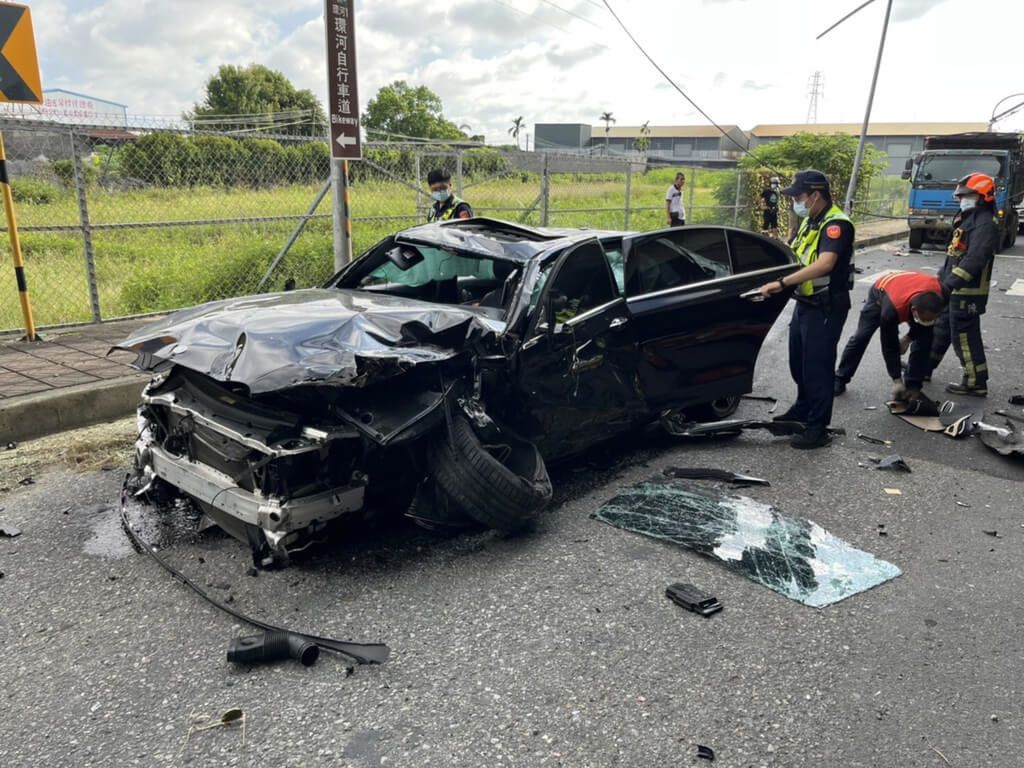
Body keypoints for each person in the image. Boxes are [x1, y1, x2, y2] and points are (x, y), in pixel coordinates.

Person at [758, 169, 854, 449]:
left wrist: (781, 282)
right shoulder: (811, 221)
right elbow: (796, 252)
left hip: (826, 306)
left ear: (815, 195)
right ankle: (802, 408)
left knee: (817, 368)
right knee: (798, 363)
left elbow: (824, 264)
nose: (795, 202)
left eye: (799, 196)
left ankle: (818, 427)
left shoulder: (836, 224)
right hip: (805, 303)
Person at [926, 173, 998, 397]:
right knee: (941, 329)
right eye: (960, 196)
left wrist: (950, 284)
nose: (961, 199)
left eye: (966, 195)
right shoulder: (969, 219)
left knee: (964, 336)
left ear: (982, 195)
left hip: (968, 292)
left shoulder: (985, 224)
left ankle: (976, 381)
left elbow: (975, 259)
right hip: (954, 288)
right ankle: (924, 366)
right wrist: (942, 281)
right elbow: (953, 256)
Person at [833, 271, 945, 399]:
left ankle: (913, 385)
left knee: (925, 339)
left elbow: (925, 328)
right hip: (882, 291)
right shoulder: (890, 311)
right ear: (914, 311)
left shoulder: (940, 295)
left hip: (912, 286)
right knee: (861, 337)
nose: (929, 322)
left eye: (933, 319)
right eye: (925, 319)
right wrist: (896, 379)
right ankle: (840, 378)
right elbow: (889, 344)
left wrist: (908, 338)